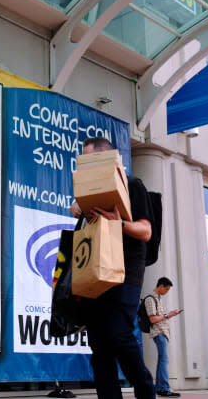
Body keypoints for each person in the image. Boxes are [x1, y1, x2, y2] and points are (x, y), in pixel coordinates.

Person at [70, 136, 155, 399]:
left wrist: (120, 223)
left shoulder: (132, 185)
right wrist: (78, 207)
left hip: (125, 273)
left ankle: (146, 391)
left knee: (119, 335)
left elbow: (146, 231)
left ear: (106, 157)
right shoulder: (89, 189)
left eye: (89, 158)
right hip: (94, 271)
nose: (84, 163)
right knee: (99, 347)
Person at [144, 277, 181, 397]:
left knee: (162, 360)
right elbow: (153, 319)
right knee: (164, 361)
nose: (167, 292)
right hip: (158, 333)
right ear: (161, 286)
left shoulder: (158, 299)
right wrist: (168, 315)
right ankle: (164, 388)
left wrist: (171, 315)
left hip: (163, 333)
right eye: (167, 289)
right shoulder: (150, 299)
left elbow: (160, 317)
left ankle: (160, 388)